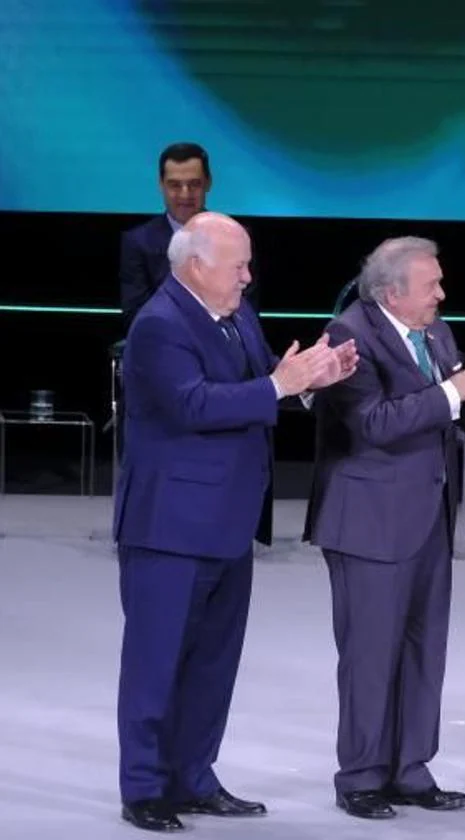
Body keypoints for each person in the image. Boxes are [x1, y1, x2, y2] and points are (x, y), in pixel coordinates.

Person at [114, 212, 357, 833]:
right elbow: (192, 404)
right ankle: (144, 788)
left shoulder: (237, 315)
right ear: (196, 265)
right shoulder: (159, 326)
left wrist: (311, 381)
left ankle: (194, 777)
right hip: (169, 526)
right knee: (156, 662)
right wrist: (280, 384)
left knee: (213, 662)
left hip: (228, 520)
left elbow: (266, 379)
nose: (249, 277)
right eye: (239, 266)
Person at [303, 237, 465, 820]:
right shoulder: (350, 333)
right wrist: (459, 391)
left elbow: (459, 407)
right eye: (431, 286)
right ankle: (360, 777)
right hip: (368, 522)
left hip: (428, 516)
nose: (442, 295)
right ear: (391, 293)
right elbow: (373, 423)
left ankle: (410, 770)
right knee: (369, 655)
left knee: (425, 650)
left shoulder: (436, 332)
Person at [118, 143, 258, 328]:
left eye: (194, 184)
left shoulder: (236, 237)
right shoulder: (138, 243)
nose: (185, 195)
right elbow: (136, 313)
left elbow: (247, 309)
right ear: (161, 185)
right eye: (175, 185)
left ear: (208, 183)